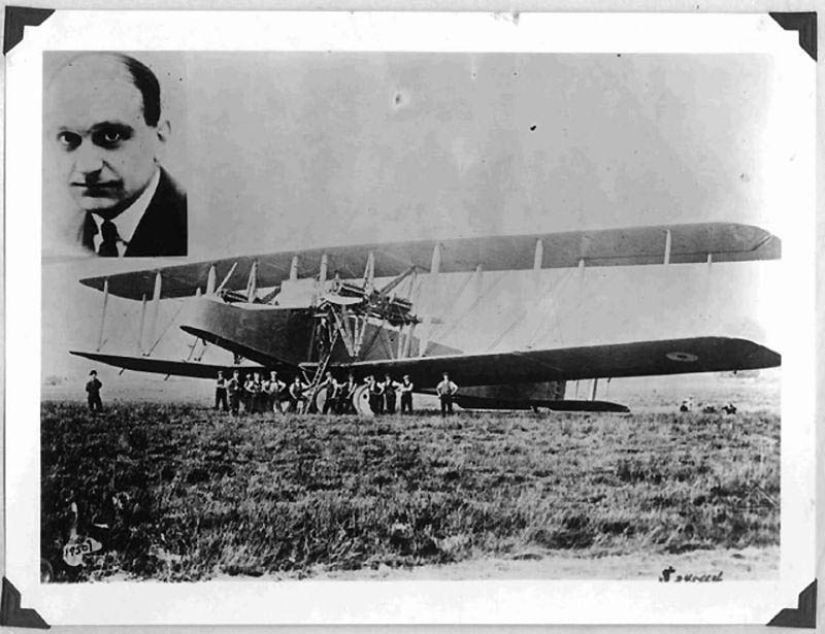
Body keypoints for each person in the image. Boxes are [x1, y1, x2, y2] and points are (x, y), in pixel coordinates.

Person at [45, 53, 187, 257]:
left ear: (160, 137)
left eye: (111, 136)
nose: (87, 166)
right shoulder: (60, 237)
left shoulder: (188, 225)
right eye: (68, 138)